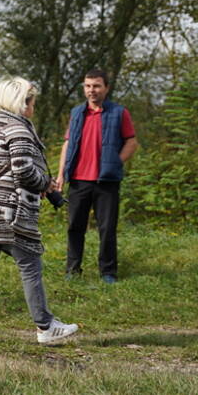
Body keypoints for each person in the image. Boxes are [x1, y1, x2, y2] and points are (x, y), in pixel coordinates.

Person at [0, 77, 79, 344]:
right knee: (30, 267)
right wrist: (46, 183)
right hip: (11, 214)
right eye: (31, 101)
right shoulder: (17, 129)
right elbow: (22, 171)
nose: (33, 106)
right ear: (23, 103)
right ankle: (46, 328)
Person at [53, 69, 138, 284]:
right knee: (74, 227)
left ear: (106, 88)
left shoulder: (119, 113)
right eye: (88, 86)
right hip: (79, 180)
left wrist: (116, 162)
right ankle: (73, 270)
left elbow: (131, 141)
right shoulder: (76, 113)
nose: (92, 90)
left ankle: (108, 273)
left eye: (97, 86)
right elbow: (67, 143)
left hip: (106, 181)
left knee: (107, 229)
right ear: (84, 88)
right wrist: (61, 174)